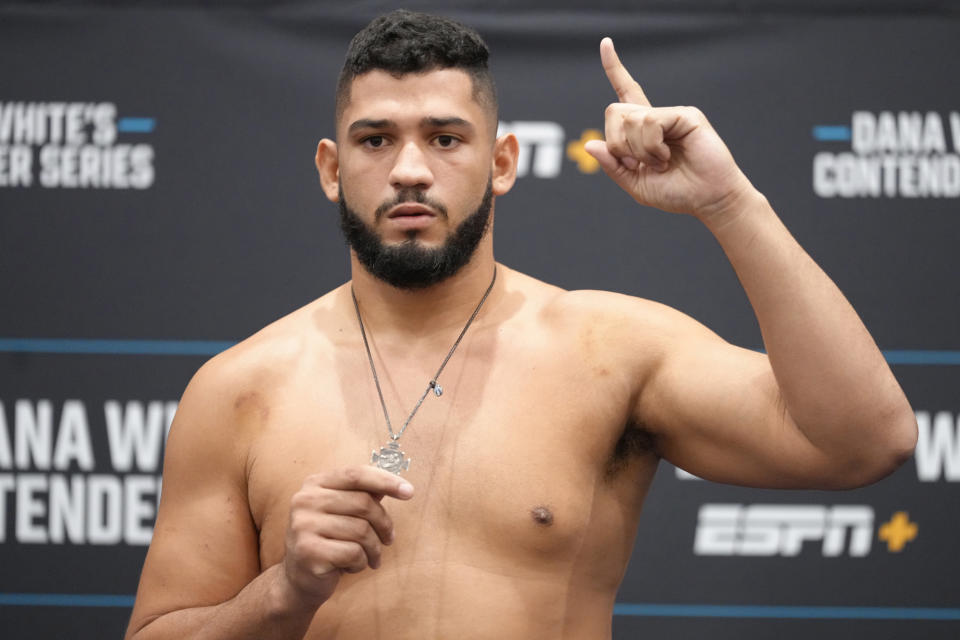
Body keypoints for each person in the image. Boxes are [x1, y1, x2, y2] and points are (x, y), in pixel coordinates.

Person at [124, 10, 916, 640]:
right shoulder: (238, 390)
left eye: (444, 138)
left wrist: (729, 203)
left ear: (502, 162)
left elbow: (864, 441)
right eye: (376, 140)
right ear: (333, 169)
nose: (408, 169)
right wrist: (282, 594)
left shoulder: (606, 351)